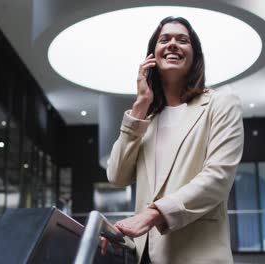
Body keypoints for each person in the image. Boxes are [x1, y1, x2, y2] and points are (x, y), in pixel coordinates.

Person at [102, 16, 244, 264]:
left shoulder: (221, 103)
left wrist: (152, 215)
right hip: (145, 256)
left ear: (195, 55)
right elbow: (116, 176)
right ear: (152, 56)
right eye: (164, 39)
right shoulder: (147, 118)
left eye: (183, 40)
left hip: (198, 256)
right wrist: (140, 107)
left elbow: (218, 178)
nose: (172, 44)